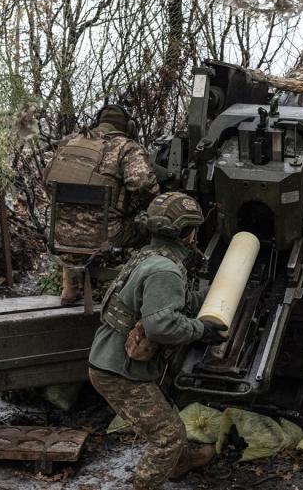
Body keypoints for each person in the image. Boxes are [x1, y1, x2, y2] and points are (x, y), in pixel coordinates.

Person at [87, 192, 226, 490]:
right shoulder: (166, 270)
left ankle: (180, 462)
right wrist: (201, 330)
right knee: (168, 436)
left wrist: (213, 296)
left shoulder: (149, 257)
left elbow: (166, 303)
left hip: (112, 358)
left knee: (164, 407)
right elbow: (161, 325)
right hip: (119, 370)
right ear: (189, 233)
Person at [44, 104, 158, 304]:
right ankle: (136, 291)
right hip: (105, 234)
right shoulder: (126, 147)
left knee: (75, 223)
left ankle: (70, 288)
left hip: (59, 232)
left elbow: (47, 181)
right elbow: (142, 185)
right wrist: (153, 205)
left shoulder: (69, 142)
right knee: (150, 229)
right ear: (128, 127)